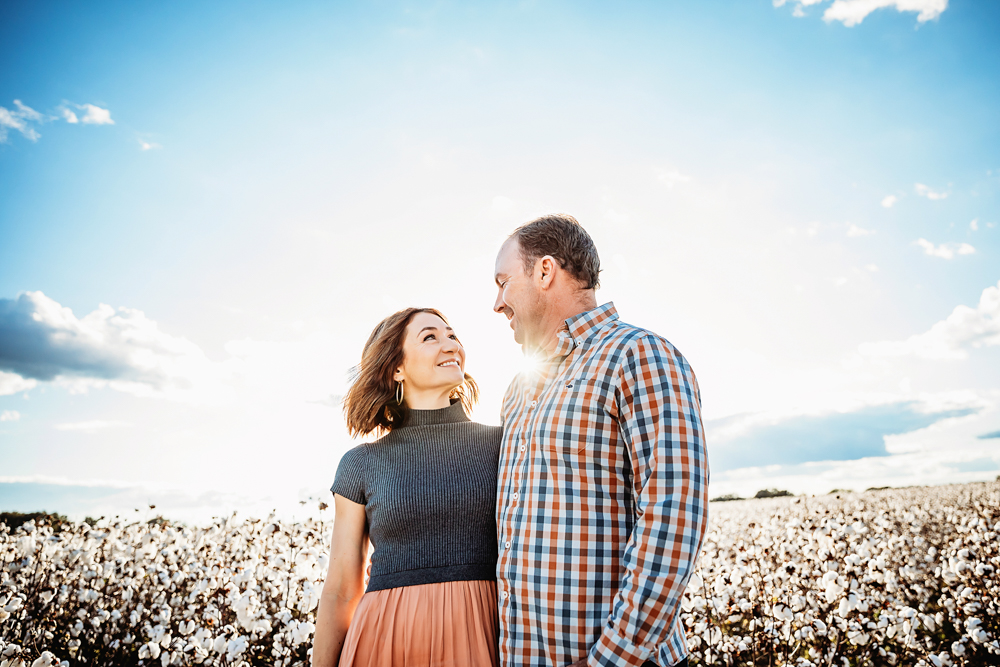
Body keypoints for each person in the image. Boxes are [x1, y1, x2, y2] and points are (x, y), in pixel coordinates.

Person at [492, 214, 709, 667]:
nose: (498, 302)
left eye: (503, 281)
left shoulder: (639, 354)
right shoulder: (517, 391)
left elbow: (673, 517)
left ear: (545, 271)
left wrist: (610, 660)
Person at [312, 307, 502, 667]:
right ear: (396, 367)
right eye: (430, 337)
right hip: (384, 640)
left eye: (452, 335)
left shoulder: (504, 444)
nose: (450, 344)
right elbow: (339, 589)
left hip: (480, 631)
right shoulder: (361, 463)